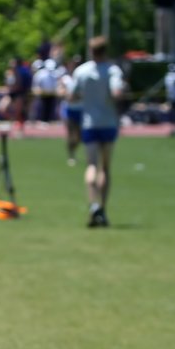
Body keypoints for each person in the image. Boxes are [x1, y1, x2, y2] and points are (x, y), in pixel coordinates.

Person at [70, 35, 125, 227]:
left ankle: (93, 204)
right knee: (106, 168)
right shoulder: (112, 70)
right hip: (108, 123)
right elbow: (117, 93)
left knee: (91, 165)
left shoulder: (82, 71)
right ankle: (103, 208)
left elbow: (72, 96)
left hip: (89, 123)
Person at [57, 58, 82, 165]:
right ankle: (71, 155)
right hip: (68, 109)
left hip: (80, 109)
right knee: (71, 134)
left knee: (79, 136)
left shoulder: (81, 78)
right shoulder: (65, 79)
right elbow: (59, 91)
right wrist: (68, 95)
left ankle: (73, 149)